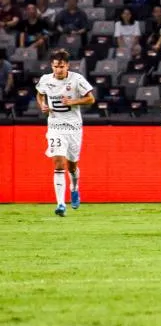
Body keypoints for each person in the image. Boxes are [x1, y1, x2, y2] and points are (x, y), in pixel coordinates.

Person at [35, 50, 96, 216]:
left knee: (72, 165)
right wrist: (42, 105)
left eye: (61, 67)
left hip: (73, 127)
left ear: (67, 66)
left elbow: (91, 99)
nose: (58, 70)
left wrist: (73, 101)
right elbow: (40, 94)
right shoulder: (45, 80)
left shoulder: (76, 79)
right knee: (58, 162)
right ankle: (61, 204)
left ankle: (74, 187)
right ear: (51, 66)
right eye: (55, 66)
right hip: (55, 126)